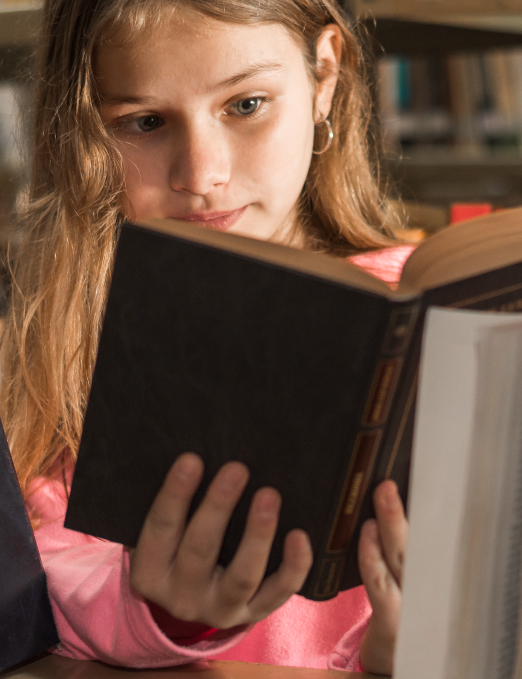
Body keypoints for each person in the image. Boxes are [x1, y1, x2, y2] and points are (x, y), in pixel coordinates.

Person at [0, 0, 413, 673]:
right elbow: (42, 606)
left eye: (246, 104)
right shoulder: (57, 363)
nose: (202, 174)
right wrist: (163, 611)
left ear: (325, 74)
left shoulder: (414, 308)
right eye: (144, 122)